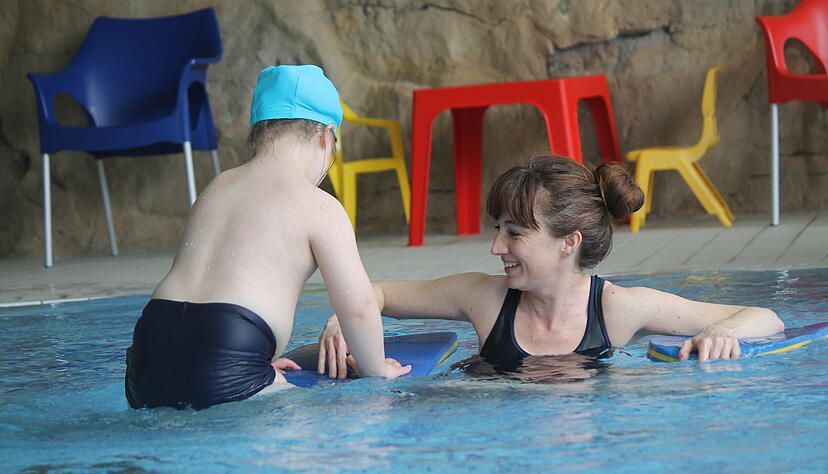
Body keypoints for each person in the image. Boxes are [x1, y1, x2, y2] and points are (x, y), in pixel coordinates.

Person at [316, 155, 784, 378]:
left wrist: (722, 335)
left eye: (515, 232)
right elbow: (374, 294)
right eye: (499, 229)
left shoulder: (618, 309)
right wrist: (344, 317)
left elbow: (768, 318)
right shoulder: (483, 298)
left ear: (568, 243)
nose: (497, 246)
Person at [125, 65, 410, 410]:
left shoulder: (216, 187)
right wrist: (378, 371)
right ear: (325, 136)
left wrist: (249, 362)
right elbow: (360, 309)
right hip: (231, 355)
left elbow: (205, 295)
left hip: (149, 353)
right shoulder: (319, 205)